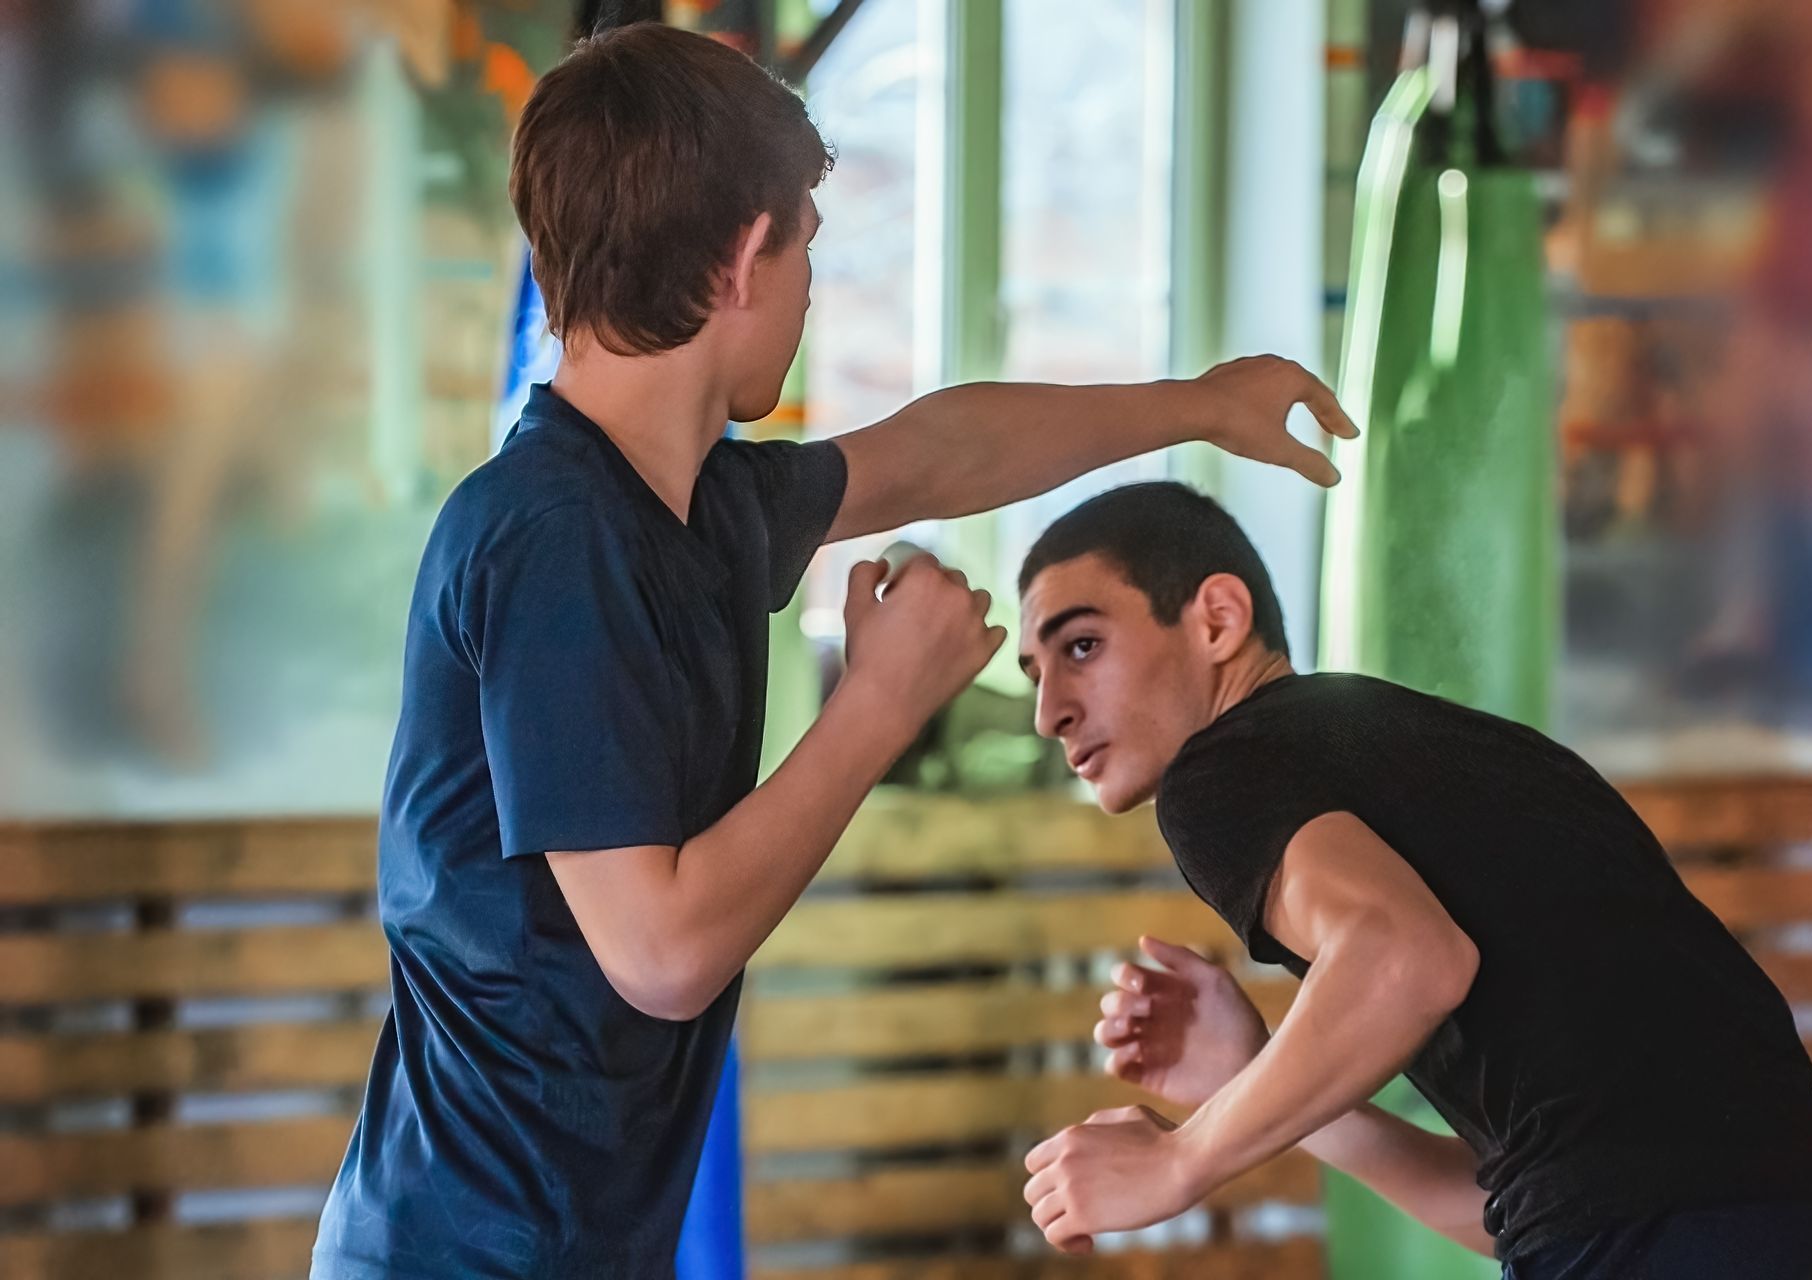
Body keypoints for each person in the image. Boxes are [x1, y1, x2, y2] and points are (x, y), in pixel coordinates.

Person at [309, 23, 1355, 1280]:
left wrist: (1195, 405)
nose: (813, 288)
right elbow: (663, 951)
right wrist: (878, 702)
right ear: (748, 254)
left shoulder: (693, 510)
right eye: (808, 243)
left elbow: (940, 452)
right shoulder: (554, 535)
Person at [1013, 482, 1812, 1279]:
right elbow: (1523, 1201)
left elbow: (1407, 959)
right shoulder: (1449, 754)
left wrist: (1178, 1160)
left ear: (1218, 620)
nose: (1049, 710)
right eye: (1034, 673)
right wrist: (1248, 1073)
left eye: (1081, 647)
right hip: (1777, 1222)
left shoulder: (1221, 774)